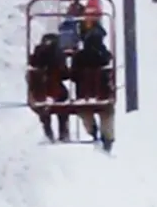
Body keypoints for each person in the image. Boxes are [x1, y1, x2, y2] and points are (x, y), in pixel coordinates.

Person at [69, 14, 115, 151]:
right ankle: (107, 139)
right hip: (103, 93)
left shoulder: (79, 57)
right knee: (107, 113)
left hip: (84, 93)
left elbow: (73, 75)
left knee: (85, 111)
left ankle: (92, 133)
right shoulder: (104, 55)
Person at [27, 33, 70, 142]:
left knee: (42, 104)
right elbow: (64, 74)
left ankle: (48, 131)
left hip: (40, 91)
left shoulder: (35, 56)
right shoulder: (58, 56)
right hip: (56, 91)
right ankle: (63, 131)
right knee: (64, 100)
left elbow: (30, 75)